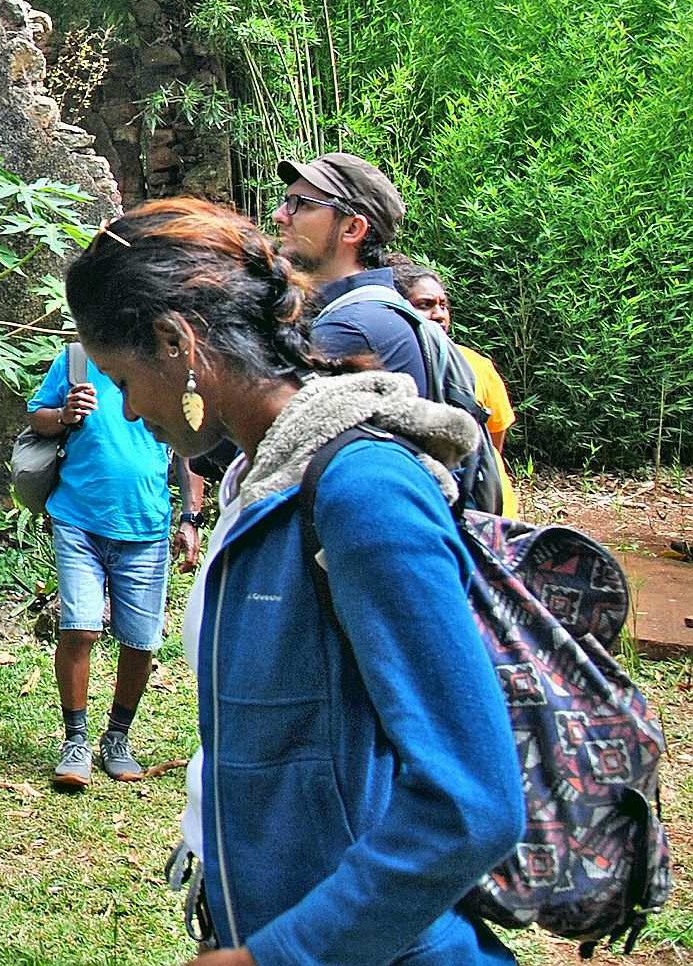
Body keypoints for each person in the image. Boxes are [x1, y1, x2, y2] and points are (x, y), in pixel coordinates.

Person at [68, 200, 524, 966]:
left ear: (175, 342)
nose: (125, 408)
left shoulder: (362, 490)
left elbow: (472, 803)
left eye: (119, 377)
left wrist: (282, 954)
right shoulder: (256, 479)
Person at [272, 152, 498, 508]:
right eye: (286, 202)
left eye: (300, 204)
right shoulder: (378, 311)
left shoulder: (350, 327)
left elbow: (277, 450)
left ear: (352, 229)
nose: (280, 216)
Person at [26, 344, 201, 791]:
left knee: (141, 641)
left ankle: (117, 737)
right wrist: (64, 414)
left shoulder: (168, 363)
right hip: (78, 517)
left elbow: (189, 447)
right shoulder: (77, 358)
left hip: (146, 525)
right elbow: (37, 418)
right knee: (80, 627)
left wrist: (190, 518)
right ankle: (76, 740)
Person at [394, 258, 520, 512]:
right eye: (425, 305)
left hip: (486, 507)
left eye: (443, 305)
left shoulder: (477, 365)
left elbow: (493, 442)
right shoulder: (393, 366)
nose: (439, 314)